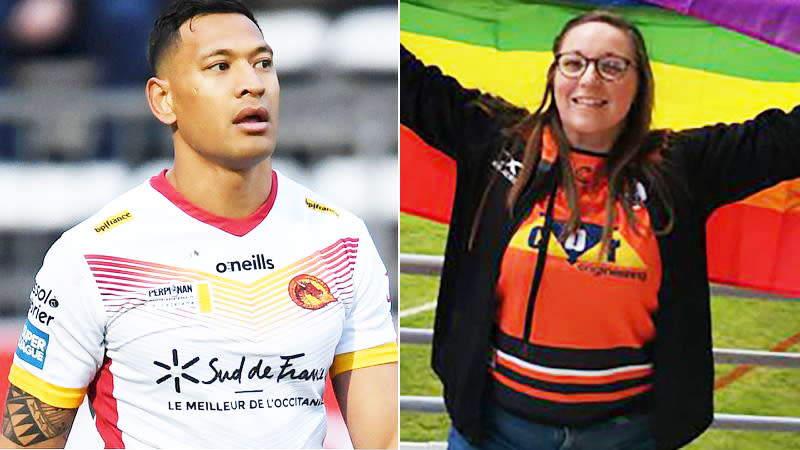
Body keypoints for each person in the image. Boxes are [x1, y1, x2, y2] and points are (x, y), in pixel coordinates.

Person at [1, 0, 398, 448]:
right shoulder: (92, 257)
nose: (251, 85)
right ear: (163, 99)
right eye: (219, 67)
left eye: (263, 64)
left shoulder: (341, 241)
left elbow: (382, 443)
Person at [401, 9, 800, 450]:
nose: (590, 79)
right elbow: (407, 81)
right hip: (495, 432)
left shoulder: (680, 167)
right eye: (574, 62)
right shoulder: (497, 143)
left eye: (612, 66)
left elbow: (786, 138)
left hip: (626, 436)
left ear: (639, 83)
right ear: (554, 75)